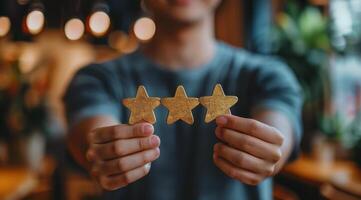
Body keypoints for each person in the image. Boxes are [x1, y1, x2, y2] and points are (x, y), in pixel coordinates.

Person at [64, 0, 302, 199]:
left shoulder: (268, 76)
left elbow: (278, 130)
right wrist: (102, 151)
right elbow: (90, 135)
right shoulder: (97, 78)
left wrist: (270, 146)